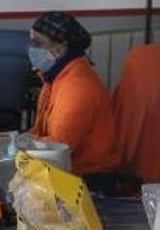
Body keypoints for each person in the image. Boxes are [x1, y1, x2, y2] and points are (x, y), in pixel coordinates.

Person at [27, 11, 122, 178]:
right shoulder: (55, 78)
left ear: (60, 48)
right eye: (31, 41)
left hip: (87, 176)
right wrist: (5, 140)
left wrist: (15, 147)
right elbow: (40, 133)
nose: (32, 49)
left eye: (38, 43)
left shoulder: (78, 87)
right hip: (65, 168)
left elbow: (59, 148)